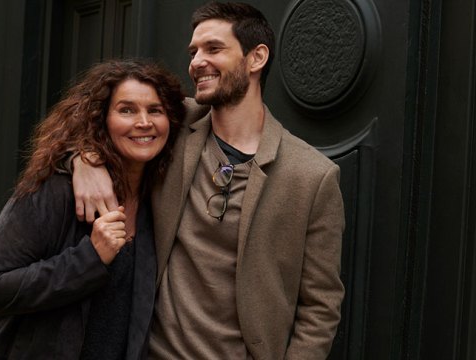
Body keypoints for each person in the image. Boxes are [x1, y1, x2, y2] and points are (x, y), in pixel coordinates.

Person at [72, 2, 345, 359]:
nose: (196, 61)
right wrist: (85, 159)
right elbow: (92, 124)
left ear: (256, 58)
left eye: (213, 49)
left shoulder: (312, 176)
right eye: (193, 51)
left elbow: (321, 306)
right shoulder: (172, 124)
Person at [0, 59, 186, 360]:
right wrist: (90, 258)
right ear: (101, 118)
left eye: (155, 110)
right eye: (127, 109)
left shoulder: (157, 199)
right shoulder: (57, 189)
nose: (143, 122)